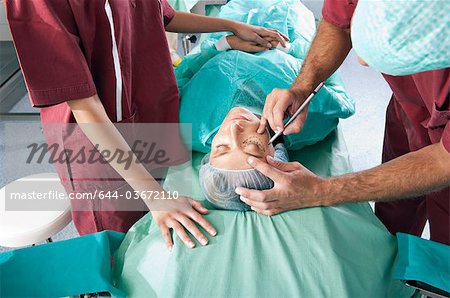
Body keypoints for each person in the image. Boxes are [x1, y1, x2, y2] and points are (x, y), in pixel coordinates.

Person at [5, 0, 288, 248]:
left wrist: (230, 26)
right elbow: (84, 105)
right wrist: (155, 197)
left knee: (159, 234)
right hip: (98, 143)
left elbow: (161, 15)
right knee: (119, 246)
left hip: (153, 112)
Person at [236, 0, 450, 245]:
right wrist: (302, 87)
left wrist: (320, 191)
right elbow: (338, 23)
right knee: (394, 208)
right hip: (410, 107)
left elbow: (443, 162)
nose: (362, 62)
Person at [199, 107, 289, 211]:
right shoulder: (303, 115)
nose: (234, 127)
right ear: (277, 153)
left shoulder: (188, 121)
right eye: (254, 145)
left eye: (221, 147)